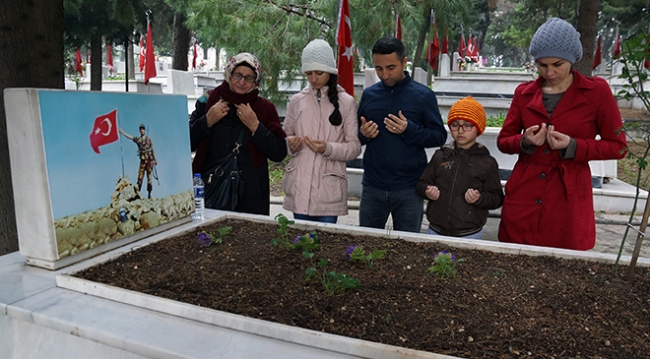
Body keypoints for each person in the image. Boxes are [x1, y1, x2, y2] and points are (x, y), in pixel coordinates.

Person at [497, 18, 627, 250]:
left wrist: (574, 146)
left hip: (568, 195)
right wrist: (524, 141)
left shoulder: (596, 92)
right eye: (542, 65)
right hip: (524, 191)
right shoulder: (524, 93)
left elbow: (618, 146)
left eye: (557, 64)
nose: (549, 72)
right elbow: (504, 141)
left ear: (572, 58)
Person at [357, 36, 447, 233]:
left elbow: (439, 136)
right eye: (379, 69)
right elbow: (356, 134)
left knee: (407, 247)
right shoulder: (370, 95)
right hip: (373, 185)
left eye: (391, 67)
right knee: (366, 245)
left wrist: (409, 130)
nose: (385, 74)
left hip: (409, 187)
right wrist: (364, 134)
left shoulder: (423, 95)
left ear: (404, 62)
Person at [190, 52, 287, 215]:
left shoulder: (264, 109)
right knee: (207, 238)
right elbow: (186, 142)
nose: (242, 82)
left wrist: (256, 127)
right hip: (211, 190)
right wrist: (206, 121)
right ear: (229, 74)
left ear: (256, 81)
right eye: (238, 75)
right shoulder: (208, 101)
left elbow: (279, 152)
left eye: (249, 78)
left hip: (250, 198)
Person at [281, 39, 361, 224]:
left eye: (319, 72)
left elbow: (354, 147)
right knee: (301, 243)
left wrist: (327, 148)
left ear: (330, 71)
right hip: (299, 185)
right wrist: (290, 144)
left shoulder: (346, 102)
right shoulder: (296, 101)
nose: (313, 78)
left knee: (324, 245)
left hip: (328, 191)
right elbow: (284, 138)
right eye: (308, 73)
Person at [416, 97, 504, 239]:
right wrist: (427, 191)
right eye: (455, 124)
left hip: (470, 234)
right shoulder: (440, 156)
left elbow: (497, 198)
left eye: (468, 125)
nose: (461, 130)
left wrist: (479, 198)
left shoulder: (487, 162)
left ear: (479, 128)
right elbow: (421, 184)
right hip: (435, 231)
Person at [119, 124, 157, 199]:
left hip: (149, 161)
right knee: (140, 178)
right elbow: (130, 137)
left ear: (145, 130)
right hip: (142, 162)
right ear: (139, 131)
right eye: (141, 129)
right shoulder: (138, 140)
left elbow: (152, 149)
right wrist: (122, 132)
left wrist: (155, 159)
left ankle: (149, 194)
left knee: (149, 179)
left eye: (143, 129)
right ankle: (137, 194)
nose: (142, 130)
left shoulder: (148, 140)